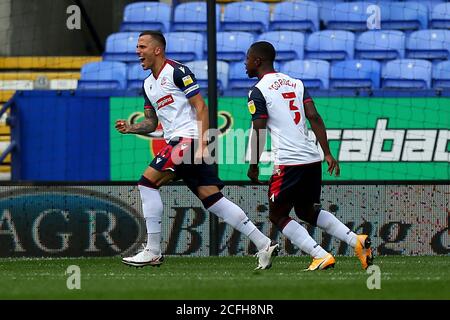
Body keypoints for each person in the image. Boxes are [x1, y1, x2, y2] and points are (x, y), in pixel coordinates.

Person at [115, 31, 279, 269]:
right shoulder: (148, 84)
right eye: (137, 47)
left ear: (157, 49)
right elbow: (151, 123)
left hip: (188, 141)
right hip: (182, 143)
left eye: (142, 47)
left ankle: (152, 250)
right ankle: (263, 243)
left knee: (147, 184)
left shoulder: (178, 71)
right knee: (213, 199)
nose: (137, 52)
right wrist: (131, 128)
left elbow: (201, 108)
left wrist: (202, 144)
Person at [245, 41, 373, 270]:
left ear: (257, 61)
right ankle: (357, 241)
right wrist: (327, 153)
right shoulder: (296, 83)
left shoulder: (258, 91)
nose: (245, 63)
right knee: (306, 210)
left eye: (247, 59)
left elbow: (259, 128)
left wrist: (253, 165)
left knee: (277, 215)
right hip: (312, 159)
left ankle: (320, 254)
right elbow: (313, 116)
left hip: (289, 162)